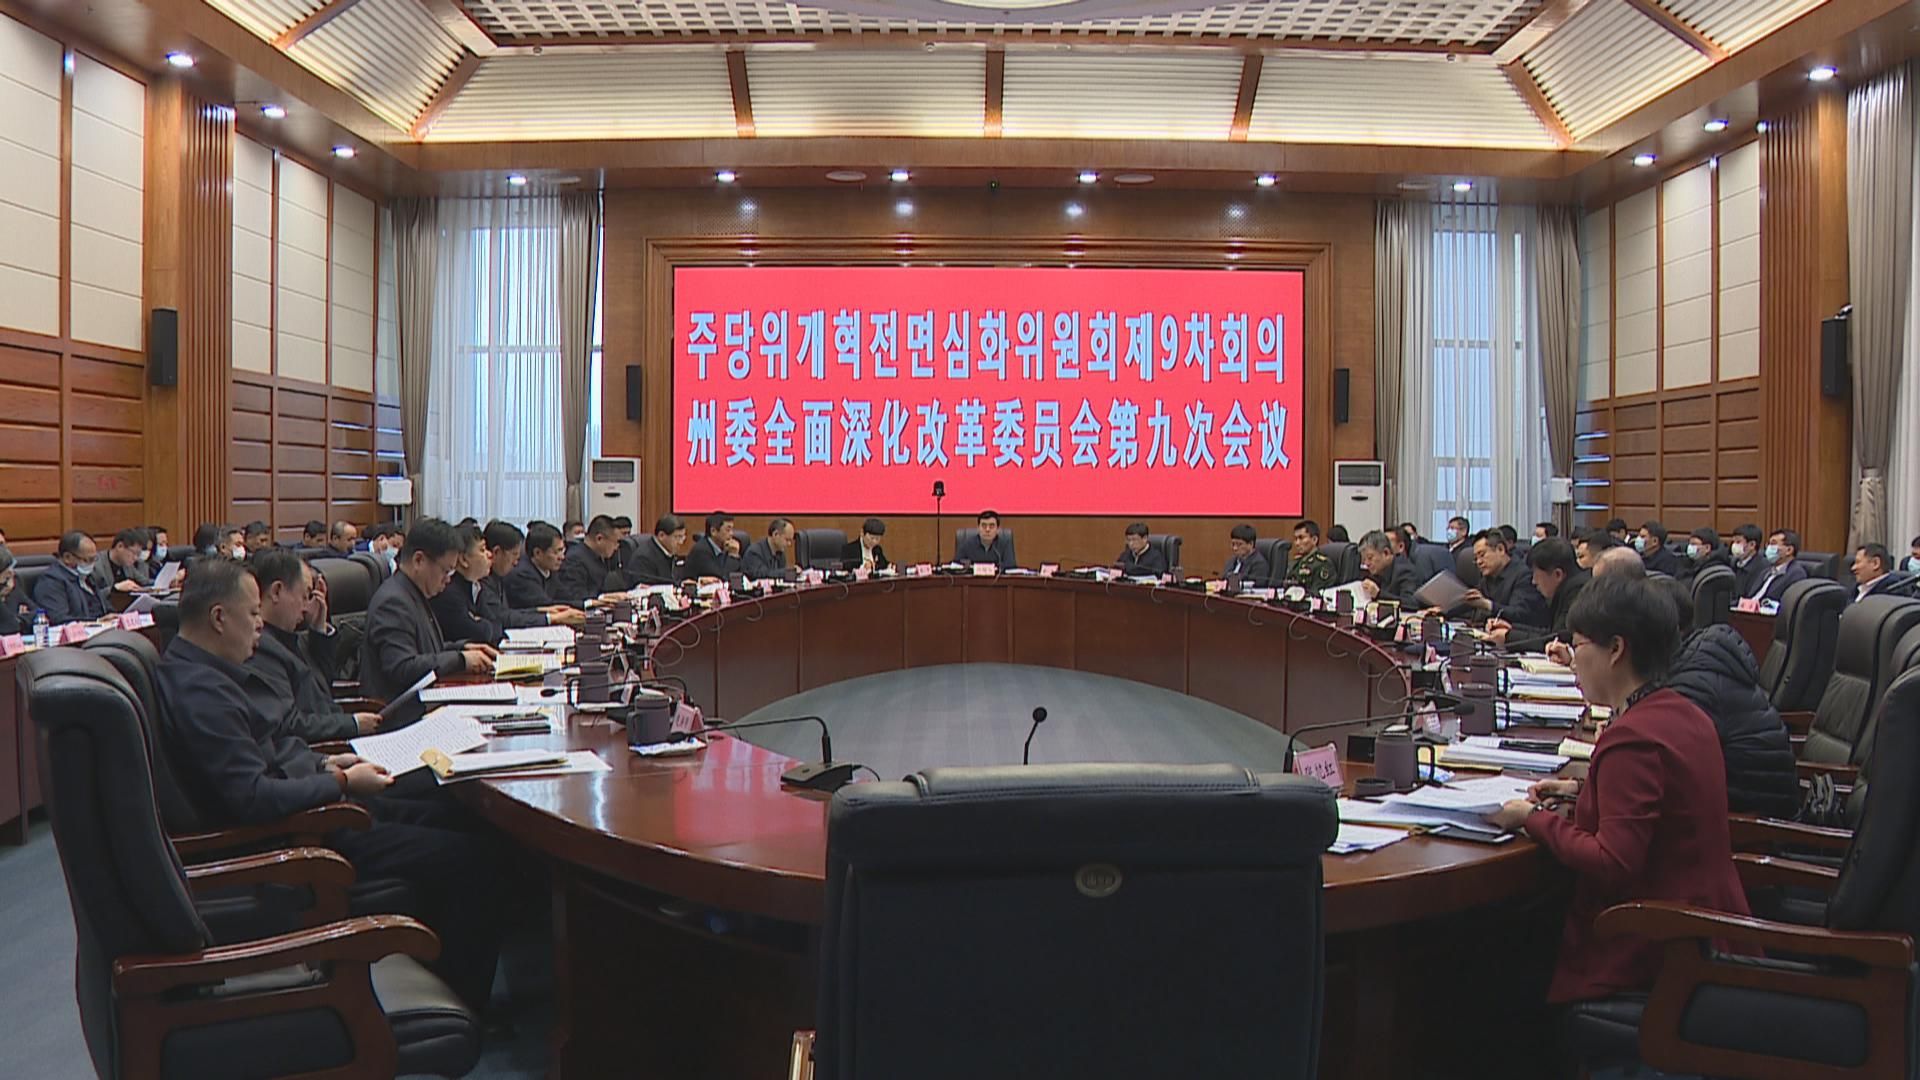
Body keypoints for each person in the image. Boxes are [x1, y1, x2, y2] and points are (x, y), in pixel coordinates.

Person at [156, 557, 513, 1010]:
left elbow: (272, 751)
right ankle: (460, 1005)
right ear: (219, 618)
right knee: (477, 859)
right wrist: (341, 779)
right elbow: (252, 796)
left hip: (316, 801)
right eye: (253, 613)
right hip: (306, 834)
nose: (260, 624)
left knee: (460, 814)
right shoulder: (201, 692)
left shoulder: (204, 672)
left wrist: (325, 764)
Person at [1483, 576, 1749, 1006]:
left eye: (1579, 645)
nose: (1573, 661)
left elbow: (1612, 862)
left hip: (1657, 948)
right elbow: (1664, 805)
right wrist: (1580, 789)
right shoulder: (1682, 711)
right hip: (1709, 926)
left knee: (1494, 950)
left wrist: (1533, 818)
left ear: (1616, 649)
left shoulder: (1633, 738)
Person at [359, 518, 496, 714]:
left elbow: (423, 650)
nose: (448, 580)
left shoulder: (413, 592)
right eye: (446, 571)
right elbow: (402, 668)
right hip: (400, 716)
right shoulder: (393, 602)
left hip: (425, 704)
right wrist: (460, 659)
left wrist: (463, 648)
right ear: (419, 560)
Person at [242, 550, 376, 742]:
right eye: (305, 596)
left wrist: (318, 628)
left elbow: (322, 687)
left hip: (333, 732)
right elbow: (290, 724)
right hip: (324, 746)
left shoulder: (287, 636)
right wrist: (353, 724)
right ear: (277, 591)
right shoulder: (260, 647)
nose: (306, 608)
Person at [1486, 537, 1589, 648]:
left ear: (1557, 574)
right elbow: (1550, 632)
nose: (1533, 581)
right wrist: (1511, 628)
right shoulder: (1569, 588)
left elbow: (1557, 640)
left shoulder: (1579, 593)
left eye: (1535, 574)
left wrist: (1509, 636)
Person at [481, 521, 581, 630]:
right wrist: (551, 617)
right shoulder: (486, 580)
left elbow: (508, 612)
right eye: (514, 554)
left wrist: (541, 611)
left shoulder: (497, 576)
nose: (516, 562)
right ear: (497, 552)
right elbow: (503, 618)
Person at [431, 523, 513, 646]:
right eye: (482, 550)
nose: (489, 555)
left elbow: (498, 625)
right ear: (463, 560)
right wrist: (483, 624)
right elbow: (480, 634)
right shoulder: (448, 592)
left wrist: (480, 622)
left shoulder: (476, 586)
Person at [1457, 530, 1549, 628]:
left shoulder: (1523, 575)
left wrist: (1488, 605)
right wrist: (1446, 611)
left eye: (1482, 555)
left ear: (1500, 549)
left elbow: (1519, 613)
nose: (1479, 562)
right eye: (1476, 558)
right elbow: (1470, 601)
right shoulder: (1488, 576)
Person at [30, 530, 107, 624]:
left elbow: (105, 608)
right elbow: (59, 619)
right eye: (88, 560)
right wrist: (96, 622)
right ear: (67, 557)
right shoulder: (51, 581)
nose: (92, 564)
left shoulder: (88, 577)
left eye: (95, 559)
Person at [550, 515, 622, 606]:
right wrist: (603, 598)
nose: (616, 547)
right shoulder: (574, 559)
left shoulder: (599, 556)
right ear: (599, 539)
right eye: (615, 542)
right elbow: (576, 597)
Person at [504, 521, 567, 608]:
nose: (562, 557)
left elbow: (565, 597)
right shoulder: (522, 574)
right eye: (556, 552)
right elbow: (546, 605)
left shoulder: (550, 570)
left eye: (562, 551)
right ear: (538, 553)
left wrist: (585, 604)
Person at [1743, 529, 1808, 605]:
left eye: (1773, 544)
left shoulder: (1796, 573)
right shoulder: (1765, 571)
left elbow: (1789, 604)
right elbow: (1750, 596)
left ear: (1789, 550)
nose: (1768, 548)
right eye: (1768, 544)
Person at [88, 527, 151, 600]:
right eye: (134, 553)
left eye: (138, 554)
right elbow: (91, 596)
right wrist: (115, 588)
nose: (135, 558)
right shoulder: (96, 565)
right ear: (120, 546)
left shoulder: (128, 565)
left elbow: (145, 582)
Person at [1356, 529, 1416, 606]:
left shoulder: (1404, 570)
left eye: (1370, 558)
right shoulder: (1374, 573)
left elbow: (1411, 603)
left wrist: (1379, 594)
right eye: (1364, 560)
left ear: (1386, 553)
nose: (1366, 563)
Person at [624, 514, 687, 586]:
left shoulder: (670, 553)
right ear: (661, 535)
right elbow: (647, 589)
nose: (681, 542)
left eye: (683, 537)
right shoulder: (643, 558)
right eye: (677, 537)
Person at [682, 512, 743, 581]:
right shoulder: (701, 550)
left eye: (732, 529)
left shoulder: (726, 547)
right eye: (728, 530)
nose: (732, 534)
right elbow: (722, 578)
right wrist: (733, 556)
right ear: (713, 531)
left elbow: (741, 577)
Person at [1284, 519, 1336, 592]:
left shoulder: (1323, 564)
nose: (1297, 543)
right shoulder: (1295, 563)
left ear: (1314, 540)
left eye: (1301, 538)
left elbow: (1317, 592)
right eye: (1295, 539)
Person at [0, 547, 24, 636]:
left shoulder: (11, 585)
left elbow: (38, 614)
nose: (12, 573)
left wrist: (18, 619)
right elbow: (12, 627)